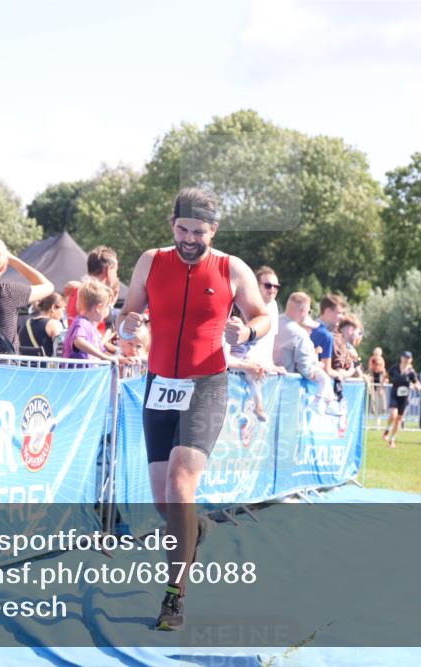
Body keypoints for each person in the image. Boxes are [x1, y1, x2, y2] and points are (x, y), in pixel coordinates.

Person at [115, 187, 270, 631]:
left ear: (212, 231)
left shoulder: (230, 267)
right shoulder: (150, 261)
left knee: (182, 486)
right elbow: (130, 310)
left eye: (198, 232)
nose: (188, 239)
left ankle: (173, 597)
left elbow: (261, 315)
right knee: (166, 503)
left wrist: (249, 332)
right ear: (172, 225)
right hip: (159, 383)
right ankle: (194, 527)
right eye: (182, 229)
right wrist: (127, 322)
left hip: (206, 384)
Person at [273, 292, 336, 409]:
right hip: (288, 390)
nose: (308, 315)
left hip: (268, 384)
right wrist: (317, 375)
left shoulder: (272, 322)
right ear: (302, 310)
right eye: (308, 311)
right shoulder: (299, 333)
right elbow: (305, 367)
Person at [67, 246, 119, 334]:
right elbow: (92, 336)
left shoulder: (78, 291)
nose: (116, 276)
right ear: (108, 270)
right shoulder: (94, 295)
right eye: (116, 271)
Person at [382, 351, 420, 448]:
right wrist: (384, 382)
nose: (406, 359)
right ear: (401, 358)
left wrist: (417, 386)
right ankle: (387, 430)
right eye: (405, 357)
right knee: (393, 414)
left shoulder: (411, 372)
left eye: (408, 358)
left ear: (411, 360)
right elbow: (386, 376)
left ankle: (392, 440)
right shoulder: (395, 368)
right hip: (394, 394)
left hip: (404, 397)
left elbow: (416, 382)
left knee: (399, 418)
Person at [251, 266, 285, 374]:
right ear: (257, 286)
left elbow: (269, 341)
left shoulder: (273, 306)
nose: (272, 289)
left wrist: (271, 365)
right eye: (268, 286)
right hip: (247, 367)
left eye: (276, 286)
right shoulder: (248, 304)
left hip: (263, 369)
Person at [310, 294, 348, 385]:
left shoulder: (309, 328)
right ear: (327, 311)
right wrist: (340, 375)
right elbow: (327, 370)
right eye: (339, 313)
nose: (342, 317)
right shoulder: (325, 335)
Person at [19, 292, 66, 357]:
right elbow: (60, 351)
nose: (62, 315)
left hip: (26, 365)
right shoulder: (54, 324)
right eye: (62, 310)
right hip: (45, 366)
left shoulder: (27, 322)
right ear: (54, 307)